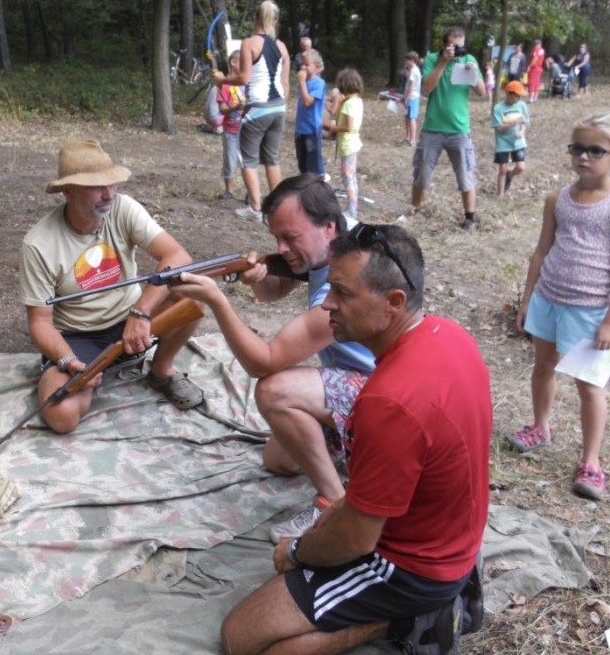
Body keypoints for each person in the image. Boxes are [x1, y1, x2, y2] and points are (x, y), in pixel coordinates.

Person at [219, 224, 492, 655]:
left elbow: (359, 539)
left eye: (342, 293)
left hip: (414, 566)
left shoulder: (390, 401)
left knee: (243, 640)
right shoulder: (450, 336)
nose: (327, 303)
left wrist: (299, 551)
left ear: (393, 304)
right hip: (456, 538)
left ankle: (403, 618)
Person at [170, 174, 375, 541]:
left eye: (290, 237)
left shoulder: (346, 286)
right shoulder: (348, 237)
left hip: (386, 396)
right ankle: (358, 458)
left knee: (274, 390)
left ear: (327, 227)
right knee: (280, 459)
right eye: (276, 238)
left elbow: (262, 362)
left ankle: (334, 504)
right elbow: (276, 289)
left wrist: (217, 300)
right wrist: (255, 278)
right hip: (369, 381)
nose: (281, 247)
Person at [19, 139, 205, 434]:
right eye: (96, 187)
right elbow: (40, 323)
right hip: (79, 337)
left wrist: (141, 313)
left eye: (111, 184)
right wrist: (68, 360)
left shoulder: (124, 209)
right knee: (61, 415)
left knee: (190, 294)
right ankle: (80, 376)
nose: (108, 194)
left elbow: (177, 256)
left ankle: (161, 371)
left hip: (134, 320)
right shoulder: (39, 244)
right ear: (67, 192)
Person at [509, 114, 610, 500]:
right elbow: (540, 251)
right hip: (549, 299)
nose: (584, 157)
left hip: (589, 310)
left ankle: (591, 461)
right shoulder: (558, 199)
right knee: (543, 366)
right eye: (578, 148)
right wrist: (528, 298)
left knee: (589, 386)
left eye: (595, 150)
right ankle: (540, 426)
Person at [213, 0, 291, 223]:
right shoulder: (282, 47)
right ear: (274, 22)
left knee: (248, 160)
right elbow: (285, 83)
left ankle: (256, 208)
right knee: (272, 159)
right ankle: (275, 209)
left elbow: (243, 78)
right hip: (279, 108)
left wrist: (222, 80)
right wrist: (280, 105)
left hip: (257, 108)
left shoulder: (249, 43)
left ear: (255, 19)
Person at [408, 26, 487, 231]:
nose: (458, 51)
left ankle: (470, 218)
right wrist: (443, 62)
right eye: (453, 46)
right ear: (444, 45)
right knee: (421, 172)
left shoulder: (469, 59)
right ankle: (414, 210)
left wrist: (474, 75)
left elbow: (481, 92)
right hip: (433, 127)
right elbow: (427, 87)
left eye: (461, 47)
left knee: (465, 174)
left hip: (459, 129)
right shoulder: (433, 59)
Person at [325, 68, 364, 218]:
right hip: (352, 143)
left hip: (348, 144)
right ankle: (352, 207)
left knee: (348, 179)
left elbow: (348, 126)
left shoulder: (348, 104)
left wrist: (334, 127)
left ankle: (351, 211)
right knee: (351, 177)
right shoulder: (357, 101)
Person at [491, 81, 530, 195]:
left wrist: (522, 132)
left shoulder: (522, 105)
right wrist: (513, 123)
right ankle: (500, 194)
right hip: (502, 142)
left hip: (518, 142)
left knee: (521, 167)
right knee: (502, 170)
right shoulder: (498, 108)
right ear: (508, 94)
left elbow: (524, 121)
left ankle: (510, 175)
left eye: (520, 96)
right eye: (516, 95)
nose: (518, 98)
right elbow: (498, 128)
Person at [293, 49, 327, 178]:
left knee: (313, 165)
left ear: (317, 67)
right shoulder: (304, 82)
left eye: (307, 64)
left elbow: (308, 102)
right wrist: (302, 83)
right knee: (302, 163)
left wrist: (302, 83)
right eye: (302, 64)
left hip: (311, 130)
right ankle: (305, 189)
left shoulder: (319, 83)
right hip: (300, 129)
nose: (303, 67)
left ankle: (316, 188)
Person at [217, 51, 245, 200]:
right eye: (243, 62)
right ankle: (229, 191)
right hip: (230, 130)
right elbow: (222, 109)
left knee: (247, 161)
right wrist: (235, 108)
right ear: (233, 62)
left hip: (246, 130)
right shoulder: (225, 84)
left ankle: (250, 192)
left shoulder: (246, 83)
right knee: (230, 159)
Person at [402, 52, 422, 147]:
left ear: (412, 60)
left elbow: (411, 86)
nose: (406, 62)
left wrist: (407, 98)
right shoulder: (412, 70)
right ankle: (407, 138)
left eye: (407, 60)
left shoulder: (414, 70)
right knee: (407, 117)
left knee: (411, 118)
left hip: (413, 97)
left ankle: (412, 140)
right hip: (411, 97)